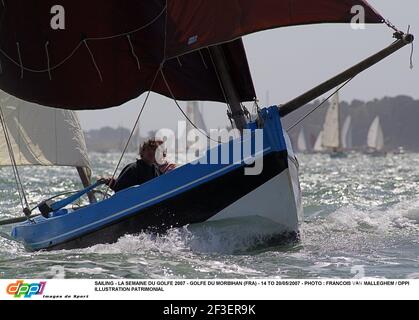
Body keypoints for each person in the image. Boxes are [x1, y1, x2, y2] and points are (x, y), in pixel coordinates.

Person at [104, 139, 176, 192]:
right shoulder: (133, 168)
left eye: (155, 150)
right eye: (148, 149)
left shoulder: (156, 171)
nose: (151, 151)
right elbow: (118, 189)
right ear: (142, 152)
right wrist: (111, 182)